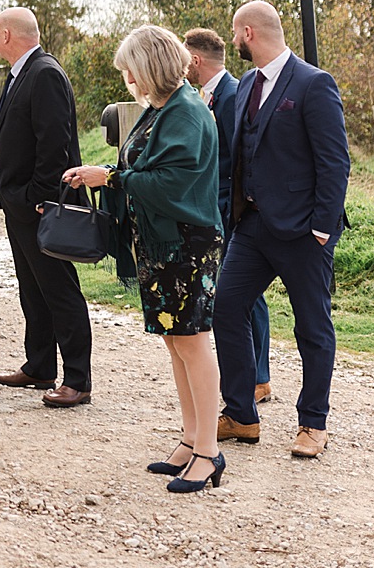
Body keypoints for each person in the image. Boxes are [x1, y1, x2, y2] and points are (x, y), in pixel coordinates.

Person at [65, 25, 225, 492]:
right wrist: (109, 175)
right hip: (163, 244)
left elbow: (170, 184)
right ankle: (192, 439)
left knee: (193, 343)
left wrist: (111, 179)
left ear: (148, 66)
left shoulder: (186, 113)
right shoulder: (162, 109)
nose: (126, 79)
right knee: (176, 343)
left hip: (186, 245)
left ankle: (210, 452)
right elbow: (141, 169)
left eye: (129, 70)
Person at [214, 1, 350, 459]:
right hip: (251, 228)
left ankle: (313, 423)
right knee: (226, 309)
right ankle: (241, 415)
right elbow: (241, 153)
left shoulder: (314, 84)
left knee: (312, 327)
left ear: (248, 32)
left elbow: (335, 163)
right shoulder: (247, 83)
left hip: (302, 232)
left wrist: (322, 229)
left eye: (235, 33)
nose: (233, 41)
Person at [0, 7, 91, 408]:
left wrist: (39, 199)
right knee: (32, 289)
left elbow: (55, 144)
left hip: (39, 207)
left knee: (59, 290)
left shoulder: (44, 72)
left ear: (7, 35)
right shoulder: (21, 72)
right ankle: (40, 365)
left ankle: (78, 380)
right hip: (19, 204)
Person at [184, 27, 273, 406]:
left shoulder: (235, 94)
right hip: (213, 205)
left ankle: (260, 377)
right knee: (236, 294)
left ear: (195, 60)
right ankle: (250, 376)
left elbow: (241, 158)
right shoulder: (203, 95)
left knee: (247, 295)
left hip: (230, 207)